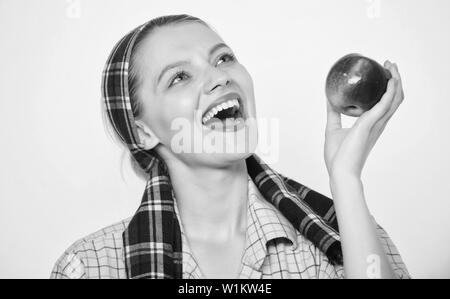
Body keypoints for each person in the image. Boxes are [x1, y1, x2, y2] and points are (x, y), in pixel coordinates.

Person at [50, 14, 409, 279]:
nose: (220, 76)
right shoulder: (89, 266)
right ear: (142, 131)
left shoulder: (347, 232)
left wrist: (345, 179)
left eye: (223, 58)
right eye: (179, 77)